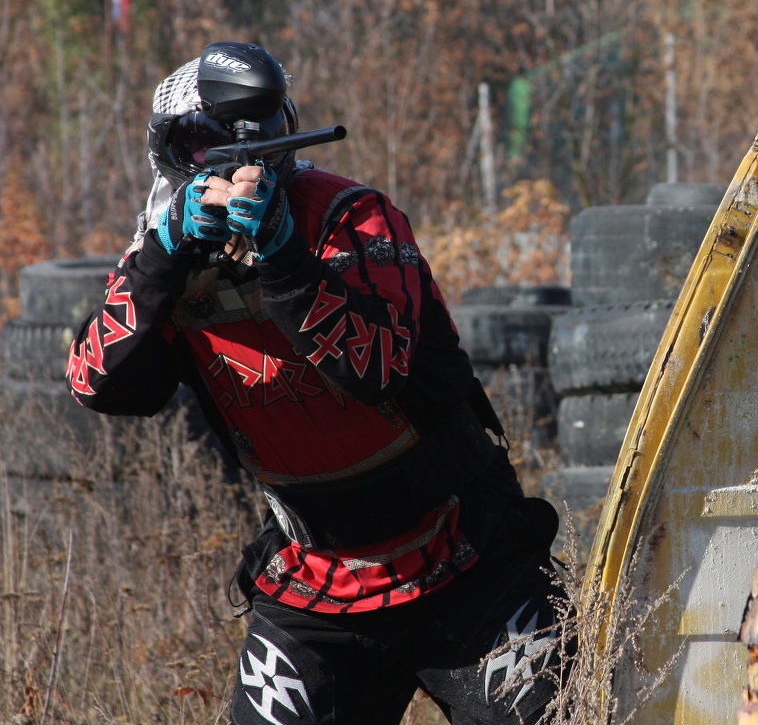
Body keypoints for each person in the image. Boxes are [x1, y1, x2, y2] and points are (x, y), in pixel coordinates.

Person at [66, 42, 566, 725]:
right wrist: (163, 262)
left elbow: (377, 369)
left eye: (243, 144)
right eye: (201, 146)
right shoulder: (160, 253)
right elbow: (97, 382)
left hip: (464, 557)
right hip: (316, 584)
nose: (225, 166)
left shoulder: (352, 218)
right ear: (172, 155)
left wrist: (284, 260)